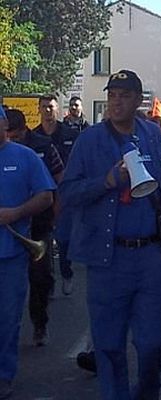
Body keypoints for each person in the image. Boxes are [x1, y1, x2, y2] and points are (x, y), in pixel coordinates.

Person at [59, 70, 161, 399]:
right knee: (109, 347)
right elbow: (67, 193)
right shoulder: (89, 140)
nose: (116, 101)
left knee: (153, 343)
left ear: (138, 100)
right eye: (112, 95)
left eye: (124, 95)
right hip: (106, 258)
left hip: (149, 256)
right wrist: (106, 182)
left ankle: (147, 393)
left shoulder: (154, 136)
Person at [0, 106, 55, 399]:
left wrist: (16, 213)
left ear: (5, 125)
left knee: (7, 320)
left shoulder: (26, 157)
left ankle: (3, 375)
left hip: (11, 253)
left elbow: (46, 196)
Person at [6, 109, 64, 346]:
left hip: (40, 223)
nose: (10, 140)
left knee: (40, 278)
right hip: (11, 228)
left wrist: (57, 217)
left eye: (14, 135)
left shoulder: (43, 145)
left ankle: (40, 324)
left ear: (22, 130)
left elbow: (59, 180)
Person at [35, 94, 82, 295]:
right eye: (44, 107)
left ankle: (67, 272)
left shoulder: (70, 133)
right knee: (45, 240)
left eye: (51, 107)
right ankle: (49, 281)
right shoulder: (34, 136)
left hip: (66, 194)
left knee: (63, 239)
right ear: (38, 109)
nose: (47, 111)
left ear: (57, 109)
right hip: (41, 195)